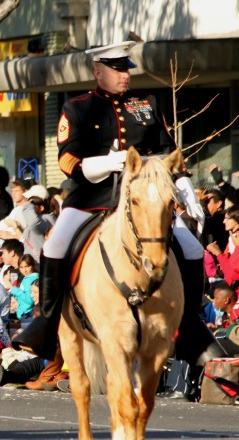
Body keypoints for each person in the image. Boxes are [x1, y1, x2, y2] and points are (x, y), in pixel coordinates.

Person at [12, 41, 224, 364]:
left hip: (145, 197)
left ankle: (191, 328)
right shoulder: (77, 108)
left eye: (126, 69)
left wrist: (184, 187)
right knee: (54, 246)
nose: (125, 76)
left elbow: (168, 150)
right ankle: (47, 321)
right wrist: (108, 163)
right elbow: (68, 160)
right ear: (98, 72)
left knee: (192, 249)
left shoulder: (148, 103)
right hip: (92, 197)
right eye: (117, 69)